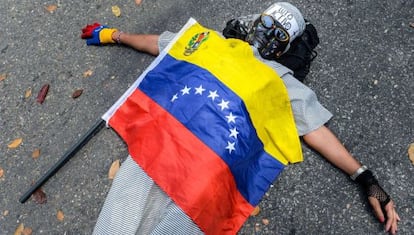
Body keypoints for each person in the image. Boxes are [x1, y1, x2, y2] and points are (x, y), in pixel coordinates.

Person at [81, 2, 400, 234]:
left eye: (278, 32)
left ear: (288, 45)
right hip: (165, 154)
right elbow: (160, 44)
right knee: (115, 225)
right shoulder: (212, 43)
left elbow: (315, 131)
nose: (268, 34)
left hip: (202, 175)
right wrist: (113, 34)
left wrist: (365, 178)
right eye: (269, 24)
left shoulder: (283, 82)